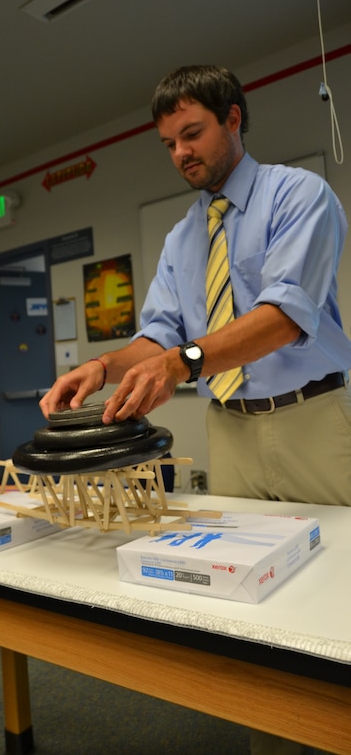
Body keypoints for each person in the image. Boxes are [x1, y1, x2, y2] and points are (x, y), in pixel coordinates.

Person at [40, 65, 351, 754]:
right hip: (230, 428)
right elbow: (158, 333)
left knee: (339, 596)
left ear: (233, 119)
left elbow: (284, 316)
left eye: (193, 133)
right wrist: (99, 366)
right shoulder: (185, 238)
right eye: (168, 143)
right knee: (248, 597)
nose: (182, 152)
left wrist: (182, 363)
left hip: (311, 419)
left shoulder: (299, 195)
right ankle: (274, 739)